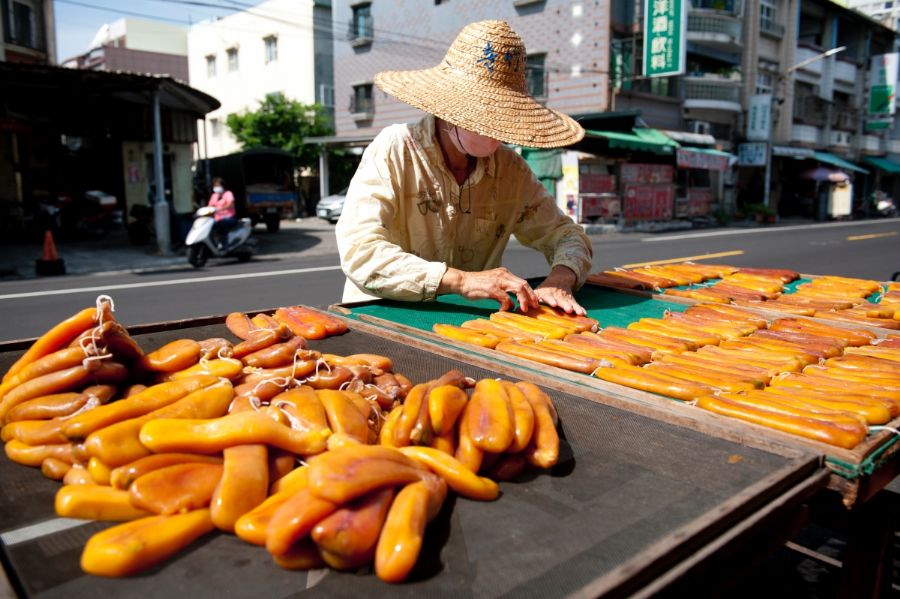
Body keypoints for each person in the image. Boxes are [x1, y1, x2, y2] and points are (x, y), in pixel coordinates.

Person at [335, 20, 593, 315]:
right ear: (448, 109)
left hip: (470, 324)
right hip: (379, 313)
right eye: (484, 116)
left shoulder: (511, 171)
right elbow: (360, 251)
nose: (495, 130)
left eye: (504, 118)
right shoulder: (395, 149)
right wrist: (460, 281)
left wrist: (560, 279)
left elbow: (567, 235)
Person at [208, 177, 236, 249]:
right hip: (217, 218)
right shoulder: (214, 195)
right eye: (215, 186)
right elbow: (210, 206)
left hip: (229, 217)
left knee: (222, 224)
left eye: (218, 186)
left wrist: (221, 208)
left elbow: (230, 204)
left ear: (223, 186)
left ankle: (225, 244)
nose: (216, 188)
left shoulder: (228, 193)